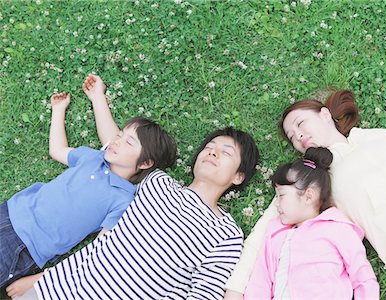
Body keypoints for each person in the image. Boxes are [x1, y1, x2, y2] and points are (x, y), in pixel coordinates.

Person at [6, 74, 260, 299]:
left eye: (225, 153)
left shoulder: (227, 233)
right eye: (209, 147)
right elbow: (119, 148)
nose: (212, 153)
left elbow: (206, 292)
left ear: (238, 176)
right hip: (58, 289)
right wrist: (98, 97)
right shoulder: (158, 184)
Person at [225, 90, 386, 300]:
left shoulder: (378, 137)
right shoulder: (314, 178)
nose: (298, 135)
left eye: (300, 124)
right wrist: (235, 290)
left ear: (324, 114)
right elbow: (265, 231)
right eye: (292, 137)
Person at [0, 91, 177, 291]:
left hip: (26, 247)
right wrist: (59, 111)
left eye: (129, 142)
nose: (117, 141)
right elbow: (57, 150)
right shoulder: (92, 157)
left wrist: (40, 279)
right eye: (119, 135)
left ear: (145, 163)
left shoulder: (123, 201)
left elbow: (98, 254)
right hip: (11, 210)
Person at [245, 147, 379, 299]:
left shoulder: (337, 229)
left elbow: (362, 275)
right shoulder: (276, 234)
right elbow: (260, 280)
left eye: (281, 195)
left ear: (308, 196)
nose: (277, 204)